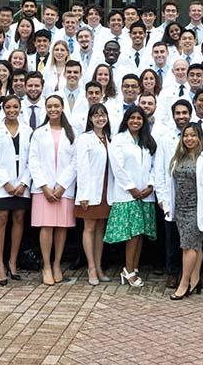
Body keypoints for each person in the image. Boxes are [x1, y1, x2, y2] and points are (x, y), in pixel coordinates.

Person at [162, 122, 203, 300]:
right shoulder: (179, 157)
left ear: (200, 138)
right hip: (180, 209)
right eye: (186, 135)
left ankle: (184, 283)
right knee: (195, 246)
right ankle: (195, 280)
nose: (189, 138)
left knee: (188, 247)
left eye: (193, 135)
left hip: (197, 210)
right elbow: (169, 182)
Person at [105, 105, 159, 287]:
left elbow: (154, 166)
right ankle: (128, 270)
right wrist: (132, 188)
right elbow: (117, 168)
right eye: (132, 118)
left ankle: (133, 268)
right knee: (133, 234)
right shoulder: (119, 140)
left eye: (139, 118)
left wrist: (150, 185)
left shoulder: (147, 140)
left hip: (146, 194)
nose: (136, 121)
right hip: (128, 194)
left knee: (141, 233)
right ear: (126, 120)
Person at [28, 94, 77, 286]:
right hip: (44, 189)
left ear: (63, 107)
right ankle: (46, 265)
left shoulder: (71, 132)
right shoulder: (39, 133)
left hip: (63, 189)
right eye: (50, 106)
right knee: (47, 226)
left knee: (61, 227)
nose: (53, 109)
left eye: (57, 106)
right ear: (45, 109)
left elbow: (74, 161)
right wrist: (44, 186)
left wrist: (62, 185)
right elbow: (33, 161)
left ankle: (57, 264)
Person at [0, 95, 31, 285]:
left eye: (15, 107)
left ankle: (12, 261)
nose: (12, 110)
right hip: (4, 185)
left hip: (22, 184)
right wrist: (6, 183)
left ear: (20, 108)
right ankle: (1, 264)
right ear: (3, 108)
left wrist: (23, 183)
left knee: (19, 219)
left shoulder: (28, 130)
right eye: (8, 107)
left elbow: (32, 160)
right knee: (1, 219)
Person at [74, 103, 113, 285]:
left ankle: (98, 266)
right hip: (89, 190)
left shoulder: (109, 138)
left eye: (103, 115)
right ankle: (90, 268)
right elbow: (81, 167)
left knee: (100, 229)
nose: (100, 118)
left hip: (106, 190)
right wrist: (83, 194)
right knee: (89, 228)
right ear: (90, 119)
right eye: (96, 115)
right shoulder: (85, 138)